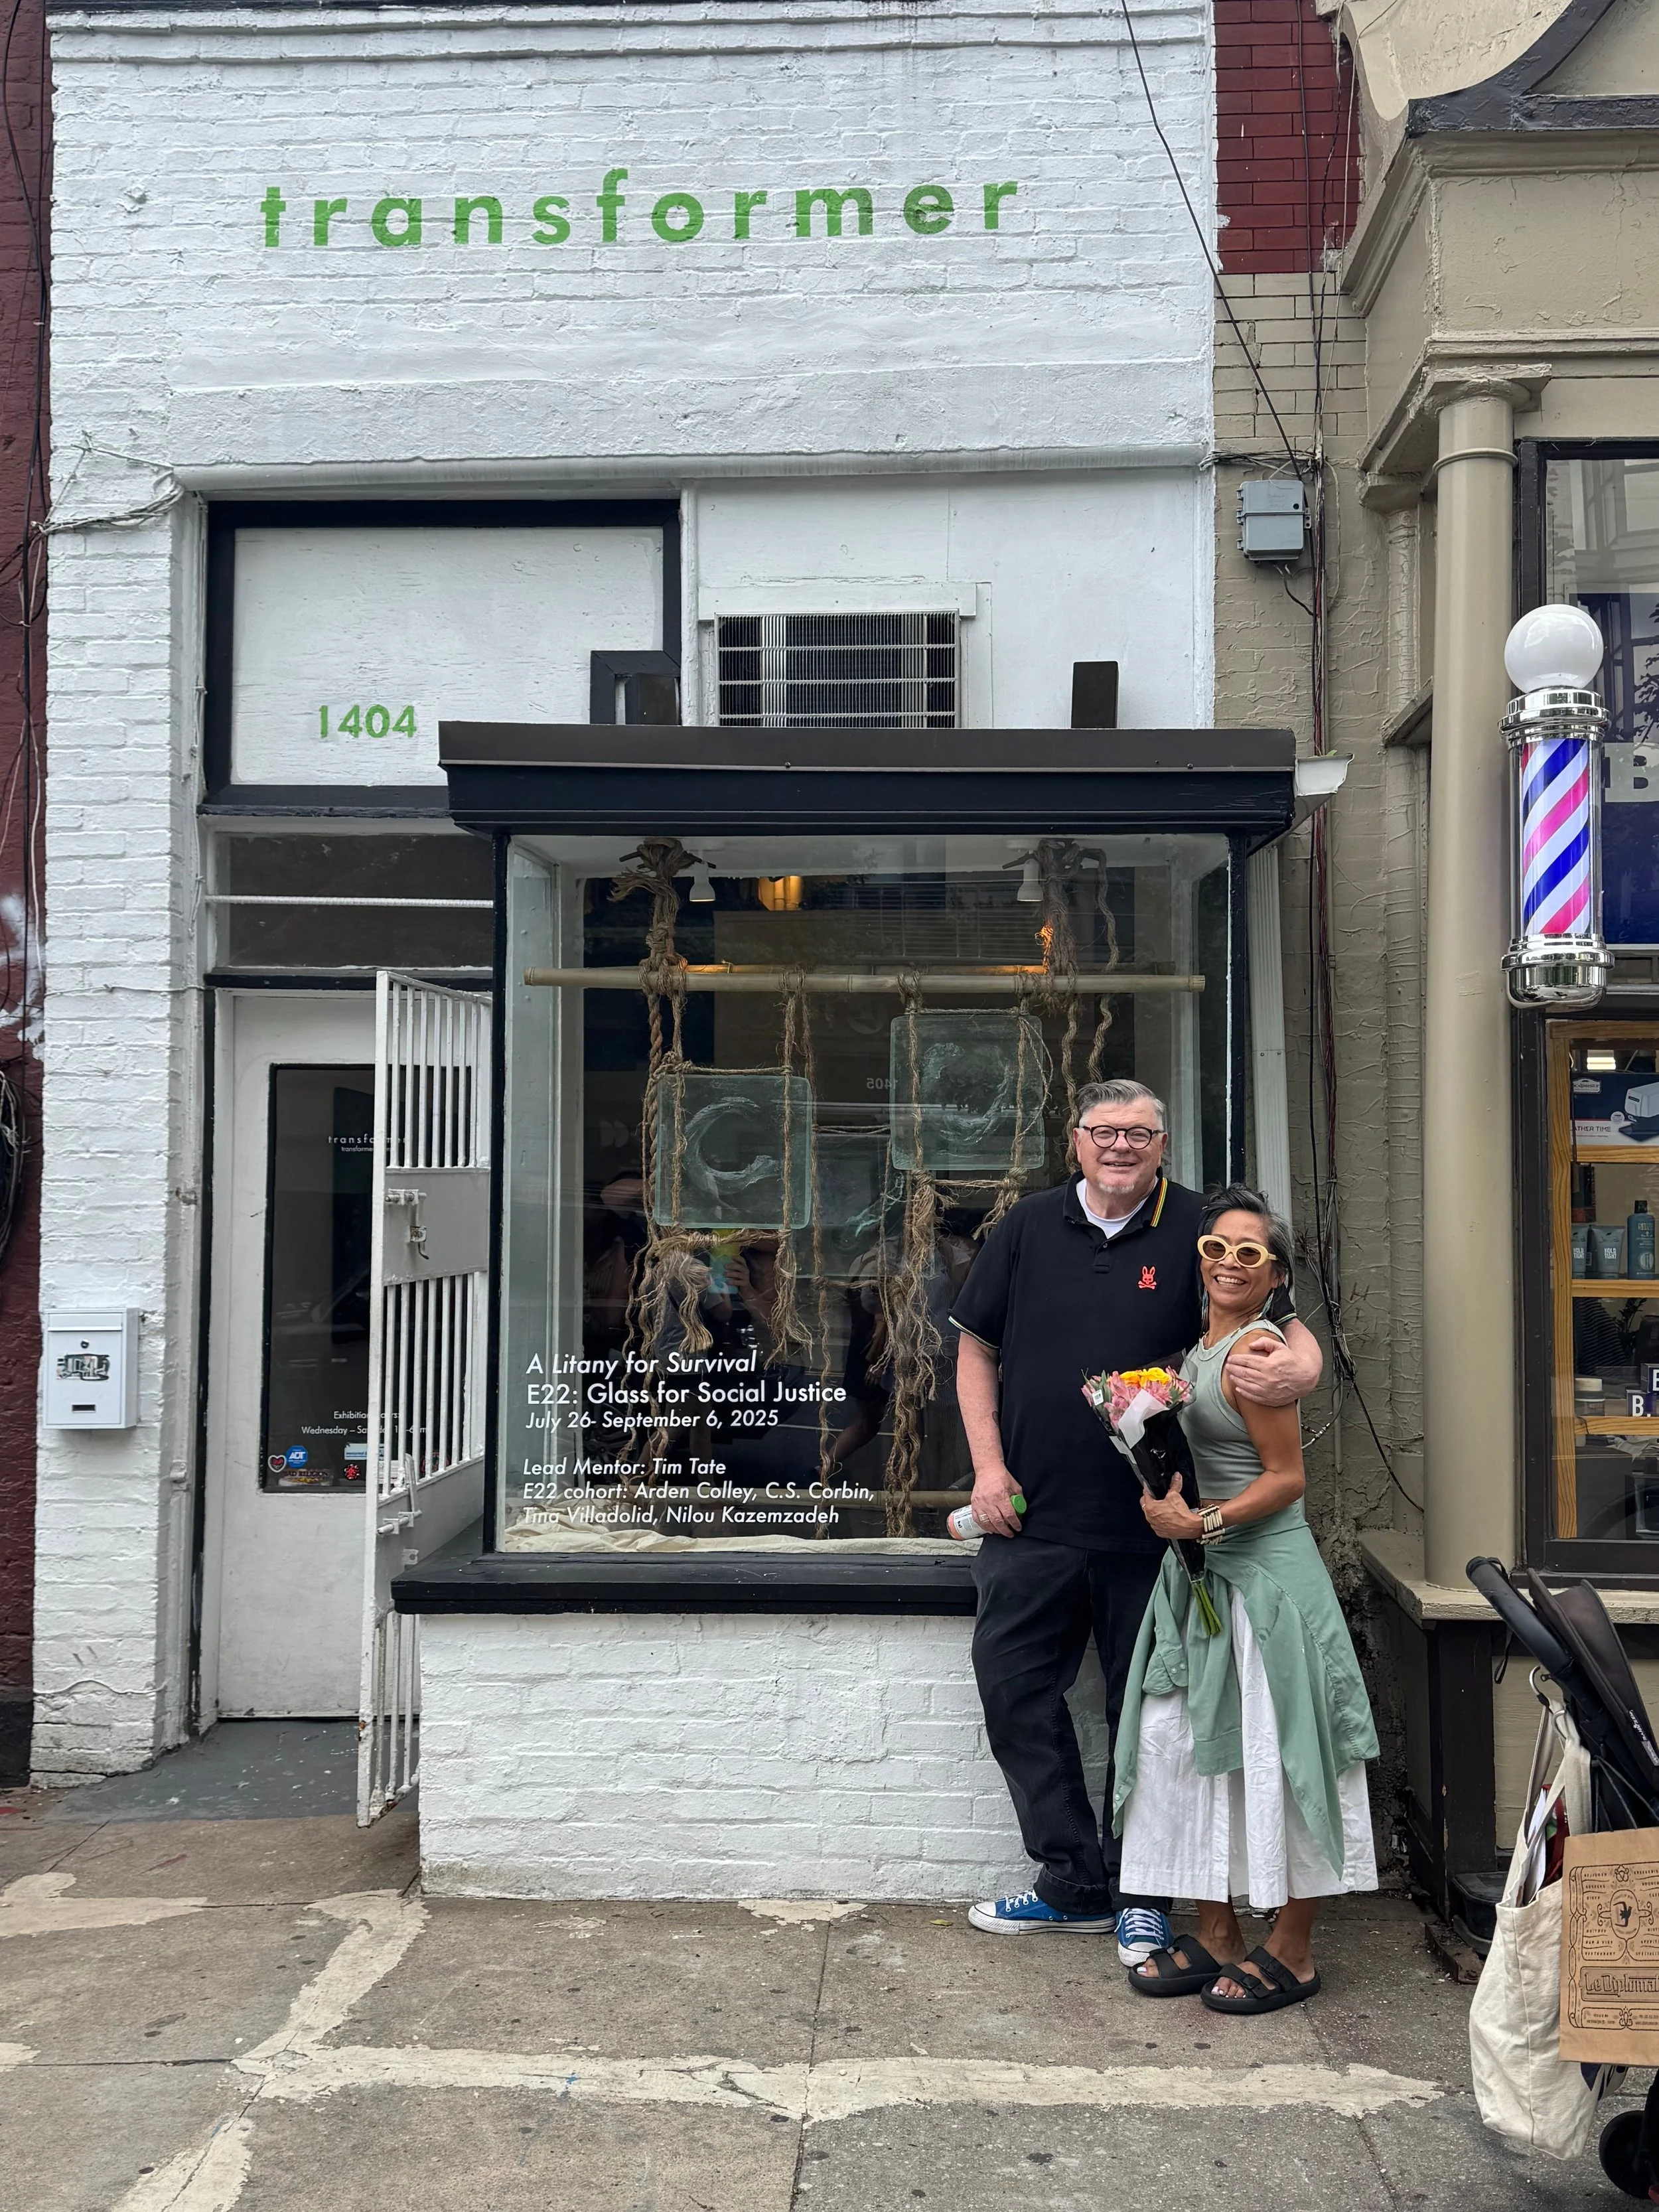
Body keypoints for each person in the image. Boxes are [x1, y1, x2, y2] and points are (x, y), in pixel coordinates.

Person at [951, 1080, 1324, 1965]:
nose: (1121, 1146)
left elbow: (1287, 1315)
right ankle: (1070, 1880)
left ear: (1163, 1145)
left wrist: (1298, 1370)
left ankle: (1142, 1896)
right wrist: (989, 1468)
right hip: (1030, 1516)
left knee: (1151, 1715)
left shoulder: (1204, 1227)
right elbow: (975, 1348)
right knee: (1015, 1692)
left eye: (1140, 1133)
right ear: (1075, 1140)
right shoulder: (1029, 1225)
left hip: (1160, 1524)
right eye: (1104, 1131)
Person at [1114, 1185, 1378, 2011]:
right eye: (1217, 1249)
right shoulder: (1200, 1349)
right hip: (1204, 1578)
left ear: (1274, 1276)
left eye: (1249, 1254)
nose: (1229, 1263)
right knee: (1195, 1753)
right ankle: (1217, 1930)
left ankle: (1293, 1949)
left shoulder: (1256, 1358)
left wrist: (1203, 1520)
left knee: (1283, 1751)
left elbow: (1288, 1481)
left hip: (1265, 1582)